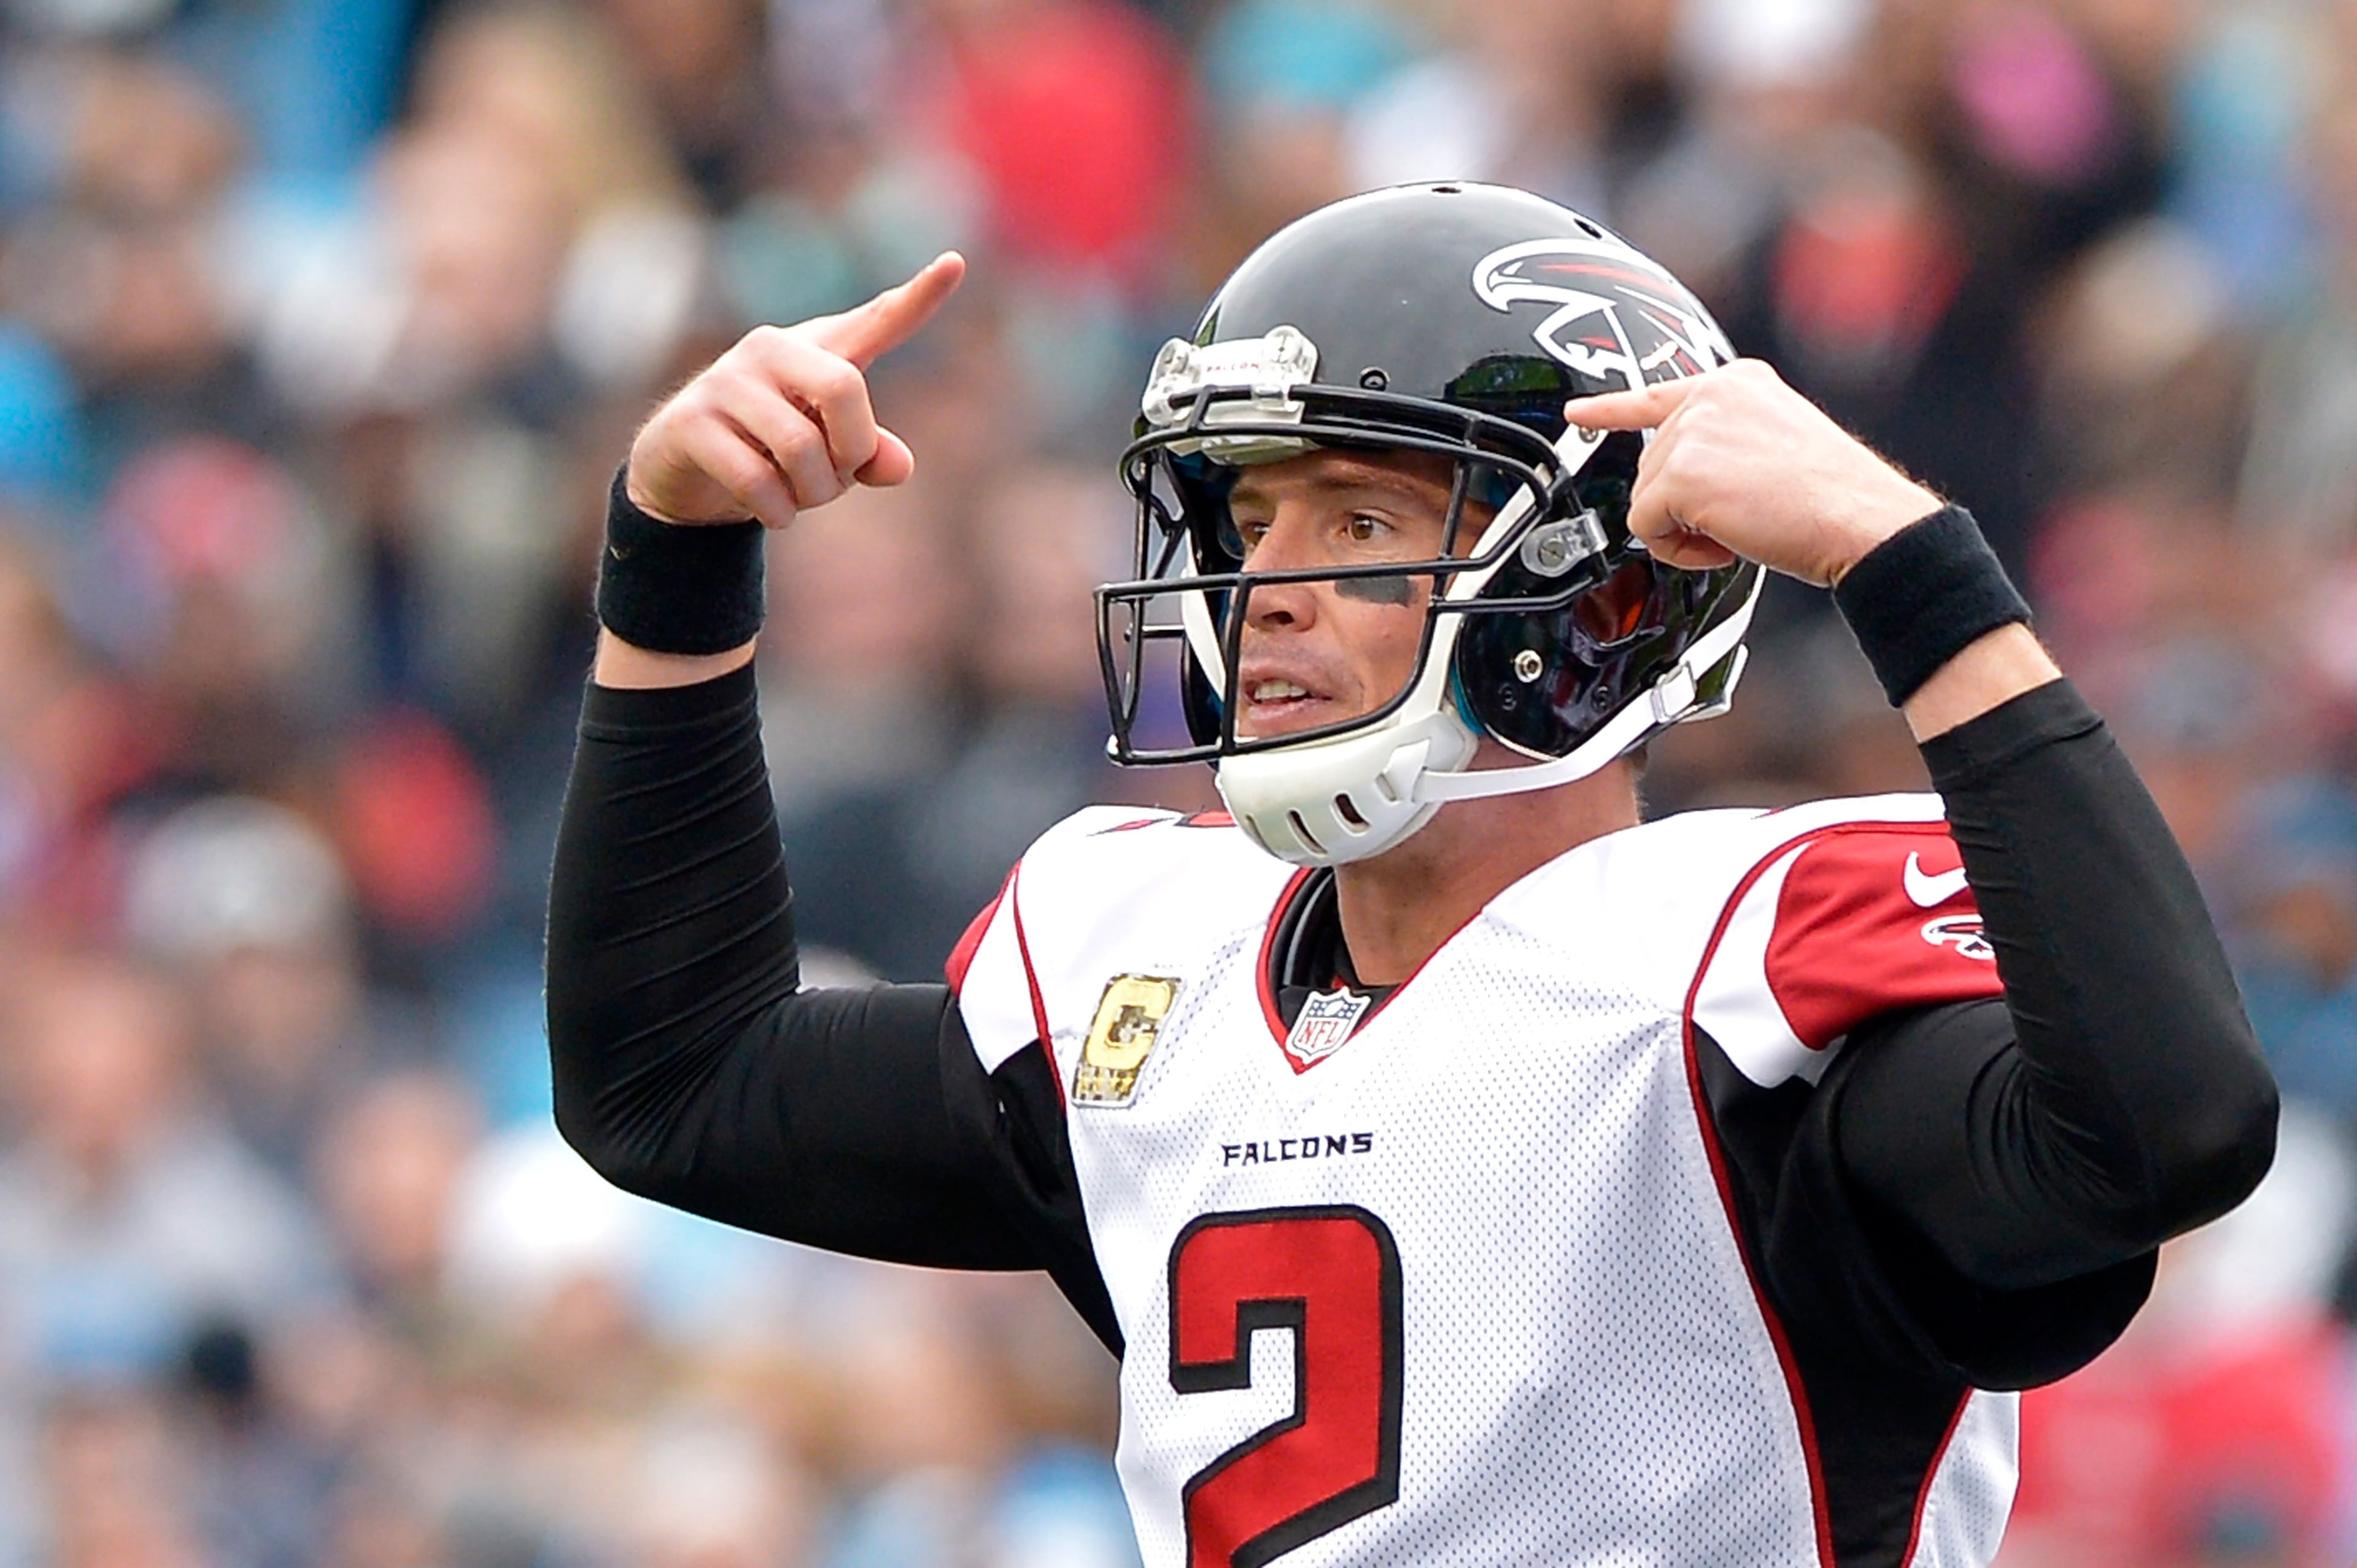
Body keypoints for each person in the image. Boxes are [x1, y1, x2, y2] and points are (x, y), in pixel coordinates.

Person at [546, 184, 2277, 1567]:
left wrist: (1916, 568)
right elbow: (669, 1081)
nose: (1264, 587)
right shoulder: (1148, 965)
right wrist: (678, 552)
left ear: (1600, 597)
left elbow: (2169, 1124)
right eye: (1248, 521)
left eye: (1362, 522)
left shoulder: (1731, 998)